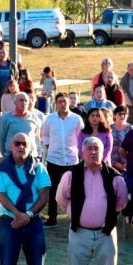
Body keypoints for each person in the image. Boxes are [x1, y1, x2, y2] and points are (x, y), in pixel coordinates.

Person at [57, 136, 129, 265]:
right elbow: (61, 199)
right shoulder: (71, 175)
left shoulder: (115, 176)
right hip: (80, 232)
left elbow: (121, 201)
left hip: (106, 232)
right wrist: (77, 213)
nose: (93, 152)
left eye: (97, 148)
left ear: (103, 151)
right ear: (82, 152)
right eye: (89, 148)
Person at [0, 132, 52, 265]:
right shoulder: (2, 169)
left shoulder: (39, 168)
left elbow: (44, 195)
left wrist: (28, 215)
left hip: (32, 222)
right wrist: (18, 215)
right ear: (11, 146)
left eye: (24, 143)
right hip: (10, 221)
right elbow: (1, 196)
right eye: (17, 143)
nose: (21, 147)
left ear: (30, 146)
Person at [42, 93, 84, 227]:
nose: (62, 104)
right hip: (54, 158)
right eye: (59, 101)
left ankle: (75, 218)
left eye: (64, 101)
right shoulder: (49, 119)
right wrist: (51, 148)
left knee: (74, 190)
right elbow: (45, 136)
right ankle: (52, 218)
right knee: (53, 189)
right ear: (56, 103)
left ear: (69, 102)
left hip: (71, 159)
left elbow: (80, 137)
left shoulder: (77, 119)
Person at [0, 93, 42, 159]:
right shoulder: (6, 118)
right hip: (11, 157)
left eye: (26, 100)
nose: (23, 102)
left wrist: (37, 154)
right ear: (15, 102)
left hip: (30, 157)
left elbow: (37, 138)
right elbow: (1, 138)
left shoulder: (34, 118)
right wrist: (5, 156)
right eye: (21, 100)